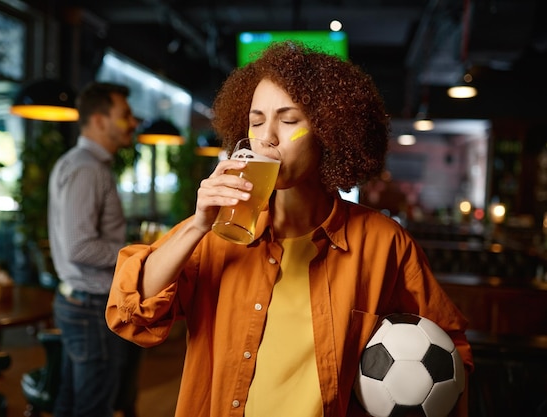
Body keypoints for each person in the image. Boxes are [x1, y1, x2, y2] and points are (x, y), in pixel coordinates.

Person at [106, 42, 474, 417]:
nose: (267, 137)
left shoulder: (384, 243)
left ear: (329, 132)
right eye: (256, 120)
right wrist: (198, 225)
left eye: (289, 119)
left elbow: (450, 351)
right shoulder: (216, 232)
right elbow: (131, 313)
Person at [48, 81, 142, 417]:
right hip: (92, 307)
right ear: (100, 120)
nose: (134, 122)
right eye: (126, 115)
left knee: (72, 402)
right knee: (93, 408)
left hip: (80, 300)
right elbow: (80, 247)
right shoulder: (87, 169)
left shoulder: (79, 163)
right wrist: (137, 253)